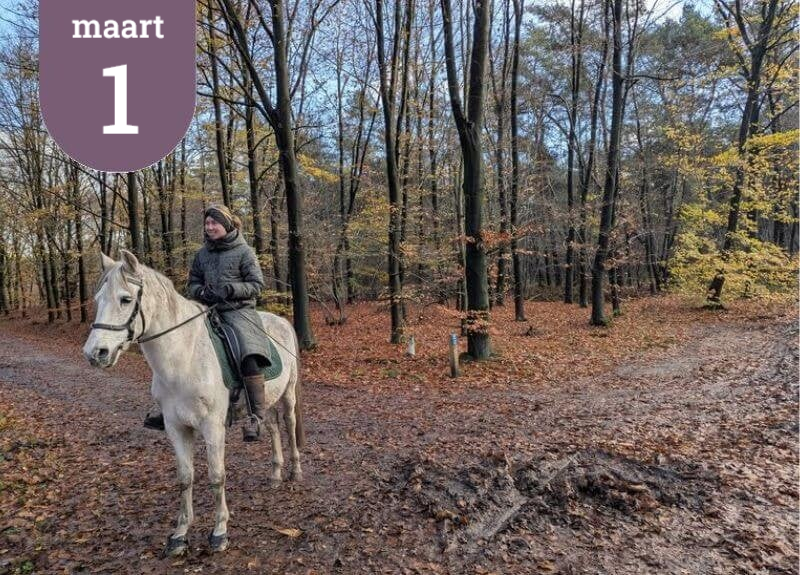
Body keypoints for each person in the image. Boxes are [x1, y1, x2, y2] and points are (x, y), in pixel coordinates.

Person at [144, 204, 272, 442]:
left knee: (248, 352)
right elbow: (192, 283)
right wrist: (201, 292)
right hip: (205, 310)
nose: (210, 227)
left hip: (238, 310)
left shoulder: (244, 252)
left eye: (214, 223)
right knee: (175, 347)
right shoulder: (202, 254)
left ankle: (256, 416)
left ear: (226, 224)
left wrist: (230, 289)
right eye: (207, 223)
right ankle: (167, 406)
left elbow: (257, 285)